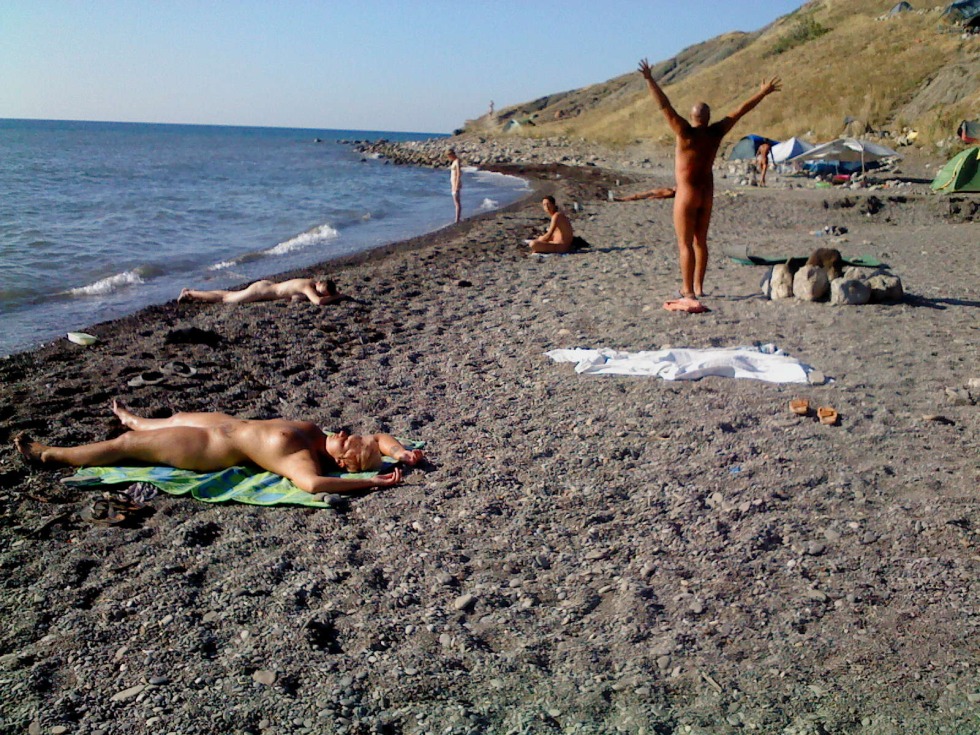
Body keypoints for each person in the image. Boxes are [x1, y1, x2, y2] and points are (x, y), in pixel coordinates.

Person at [15, 401, 424, 495]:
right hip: (228, 424)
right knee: (173, 418)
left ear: (343, 461)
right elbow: (379, 438)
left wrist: (372, 482)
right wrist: (402, 453)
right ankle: (132, 417)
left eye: (349, 441)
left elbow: (313, 485)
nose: (346, 432)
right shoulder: (319, 435)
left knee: (127, 446)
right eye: (352, 433)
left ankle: (50, 454)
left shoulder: (299, 458)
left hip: (208, 447)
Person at [637, 58, 780, 308]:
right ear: (708, 117)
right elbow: (741, 110)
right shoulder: (716, 132)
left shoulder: (684, 132)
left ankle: (688, 291)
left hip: (687, 192)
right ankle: (699, 286)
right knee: (700, 241)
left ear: (692, 116)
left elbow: (664, 105)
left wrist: (650, 79)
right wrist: (763, 92)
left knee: (684, 244)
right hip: (707, 192)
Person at [178, 278, 345, 306]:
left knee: (229, 293)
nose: (317, 293)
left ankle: (193, 292)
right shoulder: (308, 287)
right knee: (226, 298)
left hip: (267, 286)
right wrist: (339, 296)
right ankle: (190, 293)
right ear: (319, 284)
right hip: (261, 290)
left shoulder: (309, 281)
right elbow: (318, 302)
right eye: (320, 291)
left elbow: (294, 295)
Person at [447, 149, 462, 223]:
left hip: (456, 184)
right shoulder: (454, 162)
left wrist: (456, 185)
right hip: (453, 184)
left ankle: (457, 219)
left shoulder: (457, 161)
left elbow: (458, 173)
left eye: (449, 156)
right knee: (455, 201)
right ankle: (457, 218)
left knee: (457, 202)